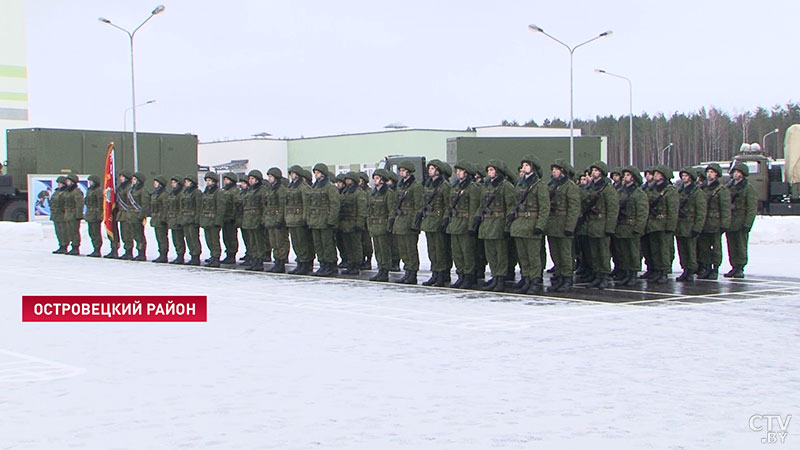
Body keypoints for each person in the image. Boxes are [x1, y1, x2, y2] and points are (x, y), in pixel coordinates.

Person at [507, 156, 550, 294]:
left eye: (527, 165)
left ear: (533, 168)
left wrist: (540, 225)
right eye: (523, 165)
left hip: (532, 223)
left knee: (533, 256)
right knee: (523, 255)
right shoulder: (520, 184)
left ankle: (535, 280)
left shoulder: (539, 185)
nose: (524, 167)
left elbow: (544, 208)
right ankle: (526, 278)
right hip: (520, 224)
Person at [474, 160, 515, 292]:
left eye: (492, 170)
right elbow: (482, 204)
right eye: (489, 170)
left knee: (500, 253)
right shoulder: (486, 186)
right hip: (487, 223)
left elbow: (511, 207)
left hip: (499, 222)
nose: (489, 172)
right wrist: (477, 217)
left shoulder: (506, 186)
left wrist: (507, 226)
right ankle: (495, 275)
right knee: (490, 253)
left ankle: (501, 278)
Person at [544, 160, 581, 292]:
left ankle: (567, 277)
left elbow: (574, 208)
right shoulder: (552, 186)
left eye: (556, 169)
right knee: (555, 253)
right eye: (553, 169)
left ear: (563, 171)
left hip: (564, 223)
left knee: (565, 253)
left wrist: (570, 227)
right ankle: (559, 275)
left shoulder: (570, 186)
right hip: (553, 223)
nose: (553, 171)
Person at [582, 161, 619, 289]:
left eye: (596, 170)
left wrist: (610, 228)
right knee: (594, 253)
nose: (593, 173)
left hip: (602, 224)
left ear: (602, 173)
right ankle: (597, 274)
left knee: (603, 253)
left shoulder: (608, 189)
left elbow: (613, 210)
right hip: (591, 224)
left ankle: (604, 276)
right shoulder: (590, 187)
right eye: (593, 170)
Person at [445, 161, 481, 289]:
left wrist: (471, 226)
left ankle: (468, 276)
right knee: (457, 253)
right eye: (457, 171)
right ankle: (460, 274)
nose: (458, 173)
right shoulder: (455, 187)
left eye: (460, 171)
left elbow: (473, 208)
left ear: (466, 173)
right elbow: (450, 205)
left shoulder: (472, 188)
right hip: (455, 223)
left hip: (465, 224)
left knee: (468, 253)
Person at [612, 166, 648, 286]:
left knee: (633, 252)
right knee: (623, 252)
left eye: (628, 175)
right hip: (621, 227)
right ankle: (626, 273)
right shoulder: (621, 191)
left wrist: (638, 228)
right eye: (625, 175)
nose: (625, 177)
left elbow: (642, 212)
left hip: (632, 227)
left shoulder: (638, 193)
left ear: (633, 178)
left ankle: (633, 274)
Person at [391, 160, 424, 284]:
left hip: (409, 220)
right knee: (403, 249)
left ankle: (413, 272)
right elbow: (395, 203)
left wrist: (415, 223)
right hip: (400, 221)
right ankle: (407, 271)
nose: (401, 173)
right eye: (400, 171)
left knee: (411, 249)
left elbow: (418, 206)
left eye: (403, 171)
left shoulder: (416, 187)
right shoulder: (400, 186)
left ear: (409, 172)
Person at [420, 159, 452, 287]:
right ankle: (435, 272)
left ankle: (442, 274)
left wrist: (445, 220)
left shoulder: (444, 186)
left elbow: (448, 205)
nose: (430, 171)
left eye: (433, 168)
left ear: (438, 170)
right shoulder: (428, 185)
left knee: (440, 250)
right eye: (430, 168)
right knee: (432, 250)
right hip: (429, 220)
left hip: (438, 220)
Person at [644, 165, 678, 283]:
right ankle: (656, 269)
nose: (655, 176)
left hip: (663, 224)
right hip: (653, 224)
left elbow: (672, 210)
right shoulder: (652, 189)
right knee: (654, 249)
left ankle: (663, 271)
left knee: (663, 249)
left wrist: (670, 226)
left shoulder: (670, 190)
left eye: (658, 174)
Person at [697, 163, 731, 279]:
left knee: (716, 248)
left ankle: (715, 269)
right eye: (708, 172)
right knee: (704, 247)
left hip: (715, 223)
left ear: (717, 174)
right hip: (704, 223)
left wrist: (724, 224)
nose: (709, 174)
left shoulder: (721, 190)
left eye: (712, 172)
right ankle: (706, 268)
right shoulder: (702, 189)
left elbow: (725, 208)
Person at [725, 161, 758, 278]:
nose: (735, 175)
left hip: (741, 221)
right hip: (730, 221)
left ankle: (740, 267)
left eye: (738, 172)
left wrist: (748, 224)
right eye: (734, 172)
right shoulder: (729, 187)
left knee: (740, 245)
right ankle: (734, 266)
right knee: (731, 245)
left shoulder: (748, 189)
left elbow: (751, 208)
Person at [308, 163, 341, 277]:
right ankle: (323, 264)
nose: (316, 175)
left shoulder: (330, 187)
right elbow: (310, 204)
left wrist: (331, 220)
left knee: (328, 245)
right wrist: (309, 219)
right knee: (318, 245)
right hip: (315, 221)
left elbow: (335, 205)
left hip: (325, 221)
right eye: (315, 173)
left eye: (317, 172)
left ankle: (330, 266)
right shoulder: (314, 187)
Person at [674, 167, 707, 282]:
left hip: (690, 224)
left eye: (686, 176)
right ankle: (685, 268)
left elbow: (701, 212)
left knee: (690, 249)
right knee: (682, 249)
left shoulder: (697, 193)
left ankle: (691, 270)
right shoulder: (679, 191)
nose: (684, 178)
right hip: (680, 225)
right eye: (683, 176)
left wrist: (697, 227)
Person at [367, 169, 398, 282]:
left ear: (383, 180)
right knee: (378, 250)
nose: (375, 180)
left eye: (377, 178)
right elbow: (369, 210)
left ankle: (385, 271)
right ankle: (380, 269)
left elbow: (391, 211)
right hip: (375, 226)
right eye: (374, 178)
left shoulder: (389, 193)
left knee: (384, 250)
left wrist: (389, 225)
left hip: (383, 226)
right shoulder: (373, 193)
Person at [286, 165, 314, 275]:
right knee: (296, 243)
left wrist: (305, 218)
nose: (291, 175)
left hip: (300, 219)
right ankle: (300, 262)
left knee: (303, 243)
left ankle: (306, 264)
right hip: (292, 219)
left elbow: (306, 205)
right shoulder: (291, 187)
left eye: (293, 173)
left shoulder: (304, 187)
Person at [339, 171, 368, 275]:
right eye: (346, 179)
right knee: (348, 246)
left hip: (354, 223)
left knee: (356, 246)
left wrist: (359, 223)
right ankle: (350, 264)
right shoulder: (345, 192)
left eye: (349, 179)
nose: (347, 181)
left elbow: (362, 210)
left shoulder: (359, 193)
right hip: (345, 223)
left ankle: (356, 265)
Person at [262, 167, 290, 273]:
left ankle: (281, 262)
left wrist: (280, 220)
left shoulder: (281, 190)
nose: (269, 178)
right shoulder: (270, 189)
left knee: (280, 242)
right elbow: (266, 206)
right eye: (268, 176)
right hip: (270, 219)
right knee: (273, 243)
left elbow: (282, 206)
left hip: (277, 219)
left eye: (271, 176)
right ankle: (277, 261)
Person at [200, 172, 228, 268]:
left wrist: (218, 221)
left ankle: (216, 257)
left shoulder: (218, 192)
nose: (207, 182)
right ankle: (212, 255)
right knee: (209, 240)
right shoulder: (206, 192)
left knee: (215, 240)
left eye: (209, 180)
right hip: (206, 220)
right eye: (206, 181)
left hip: (213, 220)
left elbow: (221, 208)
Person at [242, 170, 267, 271]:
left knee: (258, 241)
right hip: (249, 219)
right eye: (249, 179)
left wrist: (263, 219)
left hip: (257, 218)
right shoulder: (250, 190)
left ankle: (259, 261)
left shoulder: (262, 190)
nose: (250, 180)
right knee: (252, 241)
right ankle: (255, 259)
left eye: (252, 178)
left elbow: (264, 205)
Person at [126, 172, 150, 261]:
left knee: (140, 235)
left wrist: (141, 216)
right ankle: (138, 250)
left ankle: (141, 252)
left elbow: (145, 205)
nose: (132, 181)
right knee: (135, 235)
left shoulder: (143, 191)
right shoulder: (132, 190)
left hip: (137, 216)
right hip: (131, 216)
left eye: (135, 179)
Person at [180, 174, 203, 266]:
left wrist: (197, 219)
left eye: (188, 182)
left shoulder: (196, 192)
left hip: (192, 219)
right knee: (188, 238)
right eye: (185, 182)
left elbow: (199, 206)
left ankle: (196, 256)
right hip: (186, 219)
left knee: (194, 238)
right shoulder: (185, 192)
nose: (186, 183)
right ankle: (192, 254)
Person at [112, 171, 134, 259]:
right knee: (123, 233)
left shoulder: (129, 188)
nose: (120, 178)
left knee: (127, 233)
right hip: (121, 213)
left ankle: (129, 251)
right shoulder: (120, 188)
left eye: (122, 177)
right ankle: (126, 250)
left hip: (127, 213)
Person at [220, 173, 240, 264]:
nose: (225, 181)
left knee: (232, 237)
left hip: (231, 218)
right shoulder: (224, 191)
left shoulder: (235, 191)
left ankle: (232, 255)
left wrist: (233, 217)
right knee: (226, 237)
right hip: (225, 217)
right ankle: (228, 253)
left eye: (227, 180)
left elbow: (235, 205)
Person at [150, 175, 170, 263]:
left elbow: (166, 208)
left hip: (161, 219)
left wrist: (164, 219)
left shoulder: (164, 195)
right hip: (156, 219)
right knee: (158, 237)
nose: (154, 184)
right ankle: (161, 253)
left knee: (162, 238)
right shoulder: (155, 194)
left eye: (156, 183)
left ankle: (163, 254)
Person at [62, 173, 84, 255]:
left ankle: (76, 247)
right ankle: (72, 245)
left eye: (68, 180)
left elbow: (79, 204)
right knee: (70, 231)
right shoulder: (68, 191)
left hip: (74, 214)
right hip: (68, 214)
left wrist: (78, 215)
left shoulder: (76, 192)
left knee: (74, 231)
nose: (66, 182)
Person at [167, 175, 186, 264]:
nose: (172, 184)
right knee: (175, 238)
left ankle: (180, 255)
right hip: (172, 219)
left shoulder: (181, 194)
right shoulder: (172, 193)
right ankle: (178, 254)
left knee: (179, 238)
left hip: (178, 219)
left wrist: (179, 219)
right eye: (172, 182)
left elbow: (182, 208)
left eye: (174, 182)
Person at [84, 174, 104, 257]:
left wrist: (100, 214)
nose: (90, 183)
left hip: (95, 214)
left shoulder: (98, 190)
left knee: (96, 232)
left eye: (91, 181)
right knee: (91, 232)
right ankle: (94, 247)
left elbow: (100, 203)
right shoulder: (90, 190)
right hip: (90, 214)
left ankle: (97, 249)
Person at [358, 171, 374, 270]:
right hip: (360, 219)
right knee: (360, 242)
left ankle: (368, 260)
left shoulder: (369, 192)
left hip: (367, 220)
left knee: (367, 242)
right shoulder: (358, 191)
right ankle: (362, 259)